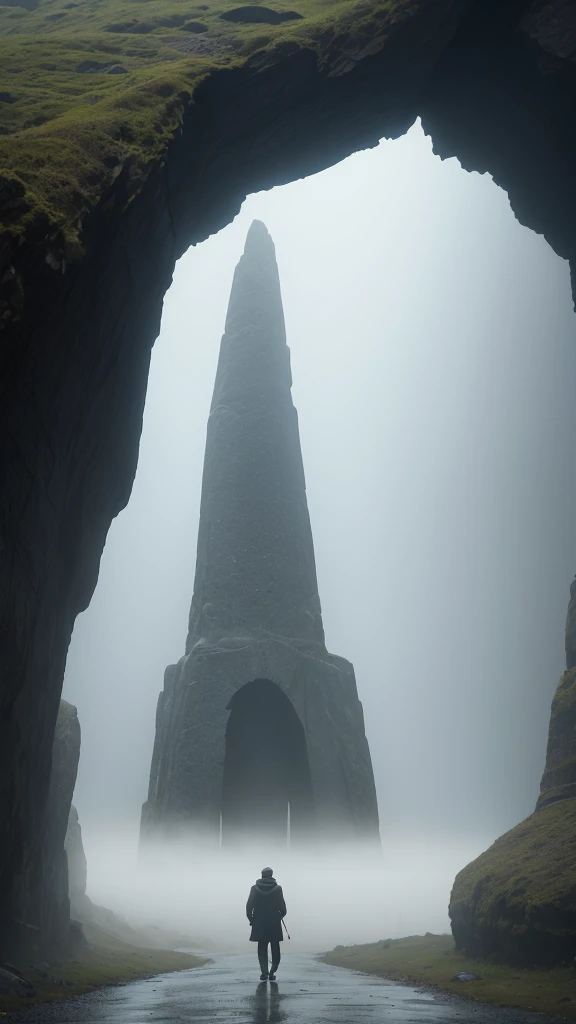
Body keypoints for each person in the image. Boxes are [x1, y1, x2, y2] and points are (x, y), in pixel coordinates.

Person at [246, 866, 287, 980]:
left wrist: (252, 920)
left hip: (259, 921)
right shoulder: (278, 889)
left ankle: (264, 972)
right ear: (271, 875)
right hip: (274, 921)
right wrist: (279, 916)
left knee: (262, 947)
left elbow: (249, 907)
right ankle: (272, 972)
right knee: (275, 947)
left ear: (262, 875)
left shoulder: (254, 889)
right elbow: (283, 909)